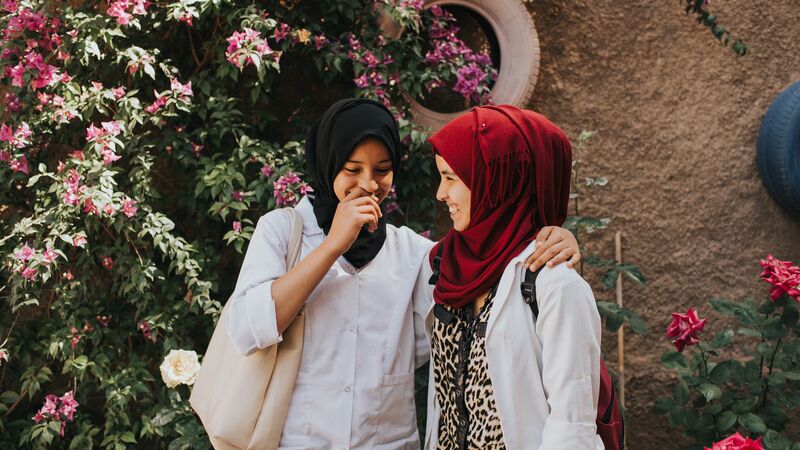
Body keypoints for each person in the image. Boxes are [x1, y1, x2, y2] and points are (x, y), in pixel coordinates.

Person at [226, 99, 581, 449]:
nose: (368, 184)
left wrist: (553, 237)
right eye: (352, 169)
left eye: (382, 170)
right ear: (328, 163)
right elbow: (246, 330)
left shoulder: (415, 254)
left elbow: (487, 265)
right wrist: (332, 245)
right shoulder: (283, 233)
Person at [424, 105, 603, 450]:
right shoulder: (444, 266)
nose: (440, 194)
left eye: (450, 178)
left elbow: (572, 425)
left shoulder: (554, 285)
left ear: (496, 181)